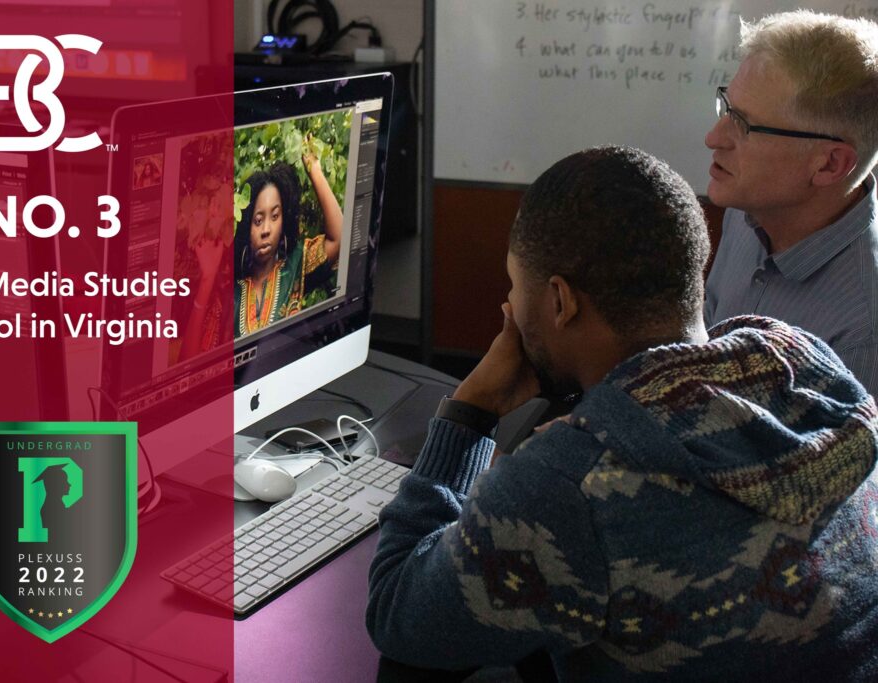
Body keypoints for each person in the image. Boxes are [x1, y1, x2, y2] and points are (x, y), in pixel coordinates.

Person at [367, 147, 878, 681]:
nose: (512, 307)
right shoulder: (803, 362)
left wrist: (469, 415)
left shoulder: (571, 486)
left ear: (560, 302)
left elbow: (398, 616)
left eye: (517, 288)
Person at [704, 11, 878, 394]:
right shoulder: (749, 204)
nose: (713, 138)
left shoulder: (862, 333)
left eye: (744, 125)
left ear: (830, 164)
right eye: (727, 109)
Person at [232, 135, 342, 338]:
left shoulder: (295, 264)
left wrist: (314, 171)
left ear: (284, 221)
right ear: (246, 226)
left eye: (274, 216)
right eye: (258, 220)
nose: (266, 229)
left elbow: (339, 239)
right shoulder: (232, 294)